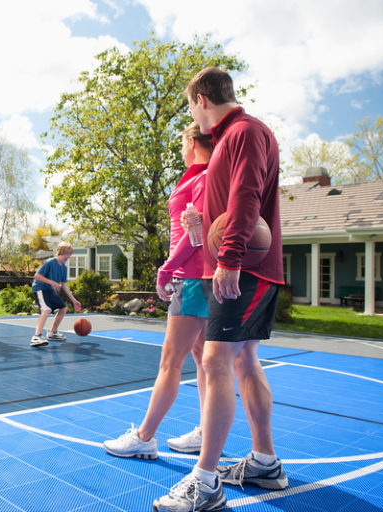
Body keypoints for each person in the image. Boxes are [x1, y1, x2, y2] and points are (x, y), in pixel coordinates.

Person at [152, 67, 287, 512]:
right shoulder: (237, 136)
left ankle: (205, 483)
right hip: (240, 266)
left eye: (192, 106)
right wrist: (200, 232)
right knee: (244, 360)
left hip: (243, 267)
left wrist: (228, 259)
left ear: (202, 100)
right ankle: (265, 462)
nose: (194, 115)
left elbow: (245, 197)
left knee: (214, 361)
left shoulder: (243, 132)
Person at [103, 122, 212, 460]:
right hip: (201, 279)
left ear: (192, 142)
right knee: (201, 359)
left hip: (192, 279)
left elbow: (194, 238)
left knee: (170, 362)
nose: (182, 150)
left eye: (183, 144)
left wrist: (166, 268)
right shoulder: (207, 177)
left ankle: (144, 436)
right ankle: (208, 431)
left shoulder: (201, 179)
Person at [30, 241, 81, 347]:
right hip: (40, 288)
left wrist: (74, 300)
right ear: (60, 252)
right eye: (66, 253)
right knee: (47, 310)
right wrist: (52, 282)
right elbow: (37, 276)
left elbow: (64, 286)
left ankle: (52, 333)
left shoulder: (64, 268)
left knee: (64, 308)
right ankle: (36, 336)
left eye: (69, 254)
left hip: (49, 290)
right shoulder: (50, 262)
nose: (68, 256)